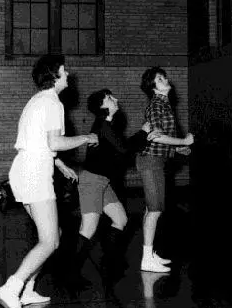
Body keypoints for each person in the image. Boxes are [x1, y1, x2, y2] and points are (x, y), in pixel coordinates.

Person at [0, 54, 98, 308]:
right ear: (54, 75)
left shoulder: (37, 101)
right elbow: (55, 140)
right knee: (50, 240)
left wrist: (59, 164)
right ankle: (12, 287)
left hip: (25, 169)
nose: (68, 74)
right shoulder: (52, 102)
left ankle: (27, 289)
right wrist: (85, 137)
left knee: (54, 235)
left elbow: (40, 142)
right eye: (64, 70)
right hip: (34, 173)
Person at [65, 88, 160, 285]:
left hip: (103, 182)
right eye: (110, 98)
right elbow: (124, 148)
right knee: (88, 228)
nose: (115, 99)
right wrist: (143, 132)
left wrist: (144, 136)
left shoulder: (108, 125)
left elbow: (121, 148)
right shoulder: (102, 125)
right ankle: (71, 273)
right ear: (102, 106)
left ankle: (110, 260)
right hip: (92, 181)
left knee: (121, 219)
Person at [137, 67, 194, 273]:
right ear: (153, 87)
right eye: (160, 78)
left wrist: (178, 148)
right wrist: (183, 140)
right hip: (151, 161)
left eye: (164, 76)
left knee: (150, 210)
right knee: (155, 210)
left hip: (157, 160)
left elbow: (162, 137)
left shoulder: (164, 104)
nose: (165, 79)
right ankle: (146, 258)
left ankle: (149, 254)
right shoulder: (155, 106)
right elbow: (155, 137)